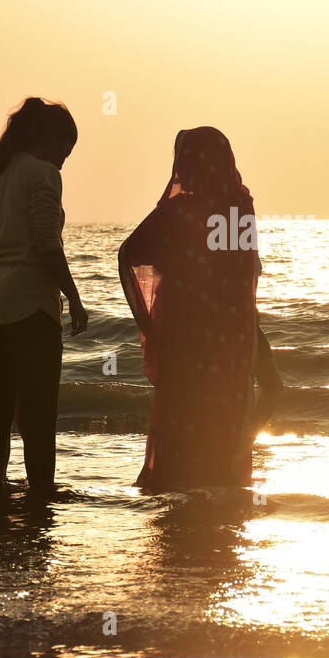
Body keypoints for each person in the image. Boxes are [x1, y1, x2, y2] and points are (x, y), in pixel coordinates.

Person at [118, 127, 269, 491]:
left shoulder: (176, 212)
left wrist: (151, 325)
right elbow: (246, 273)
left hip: (184, 337)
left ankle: (179, 503)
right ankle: (223, 498)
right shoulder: (239, 207)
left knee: (183, 416)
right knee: (226, 412)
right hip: (230, 337)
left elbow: (129, 254)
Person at [0, 98, 87, 493]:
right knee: (38, 415)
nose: (63, 161)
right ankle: (40, 497)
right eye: (62, 150)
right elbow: (46, 243)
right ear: (45, 139)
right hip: (30, 307)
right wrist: (72, 296)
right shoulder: (42, 175)